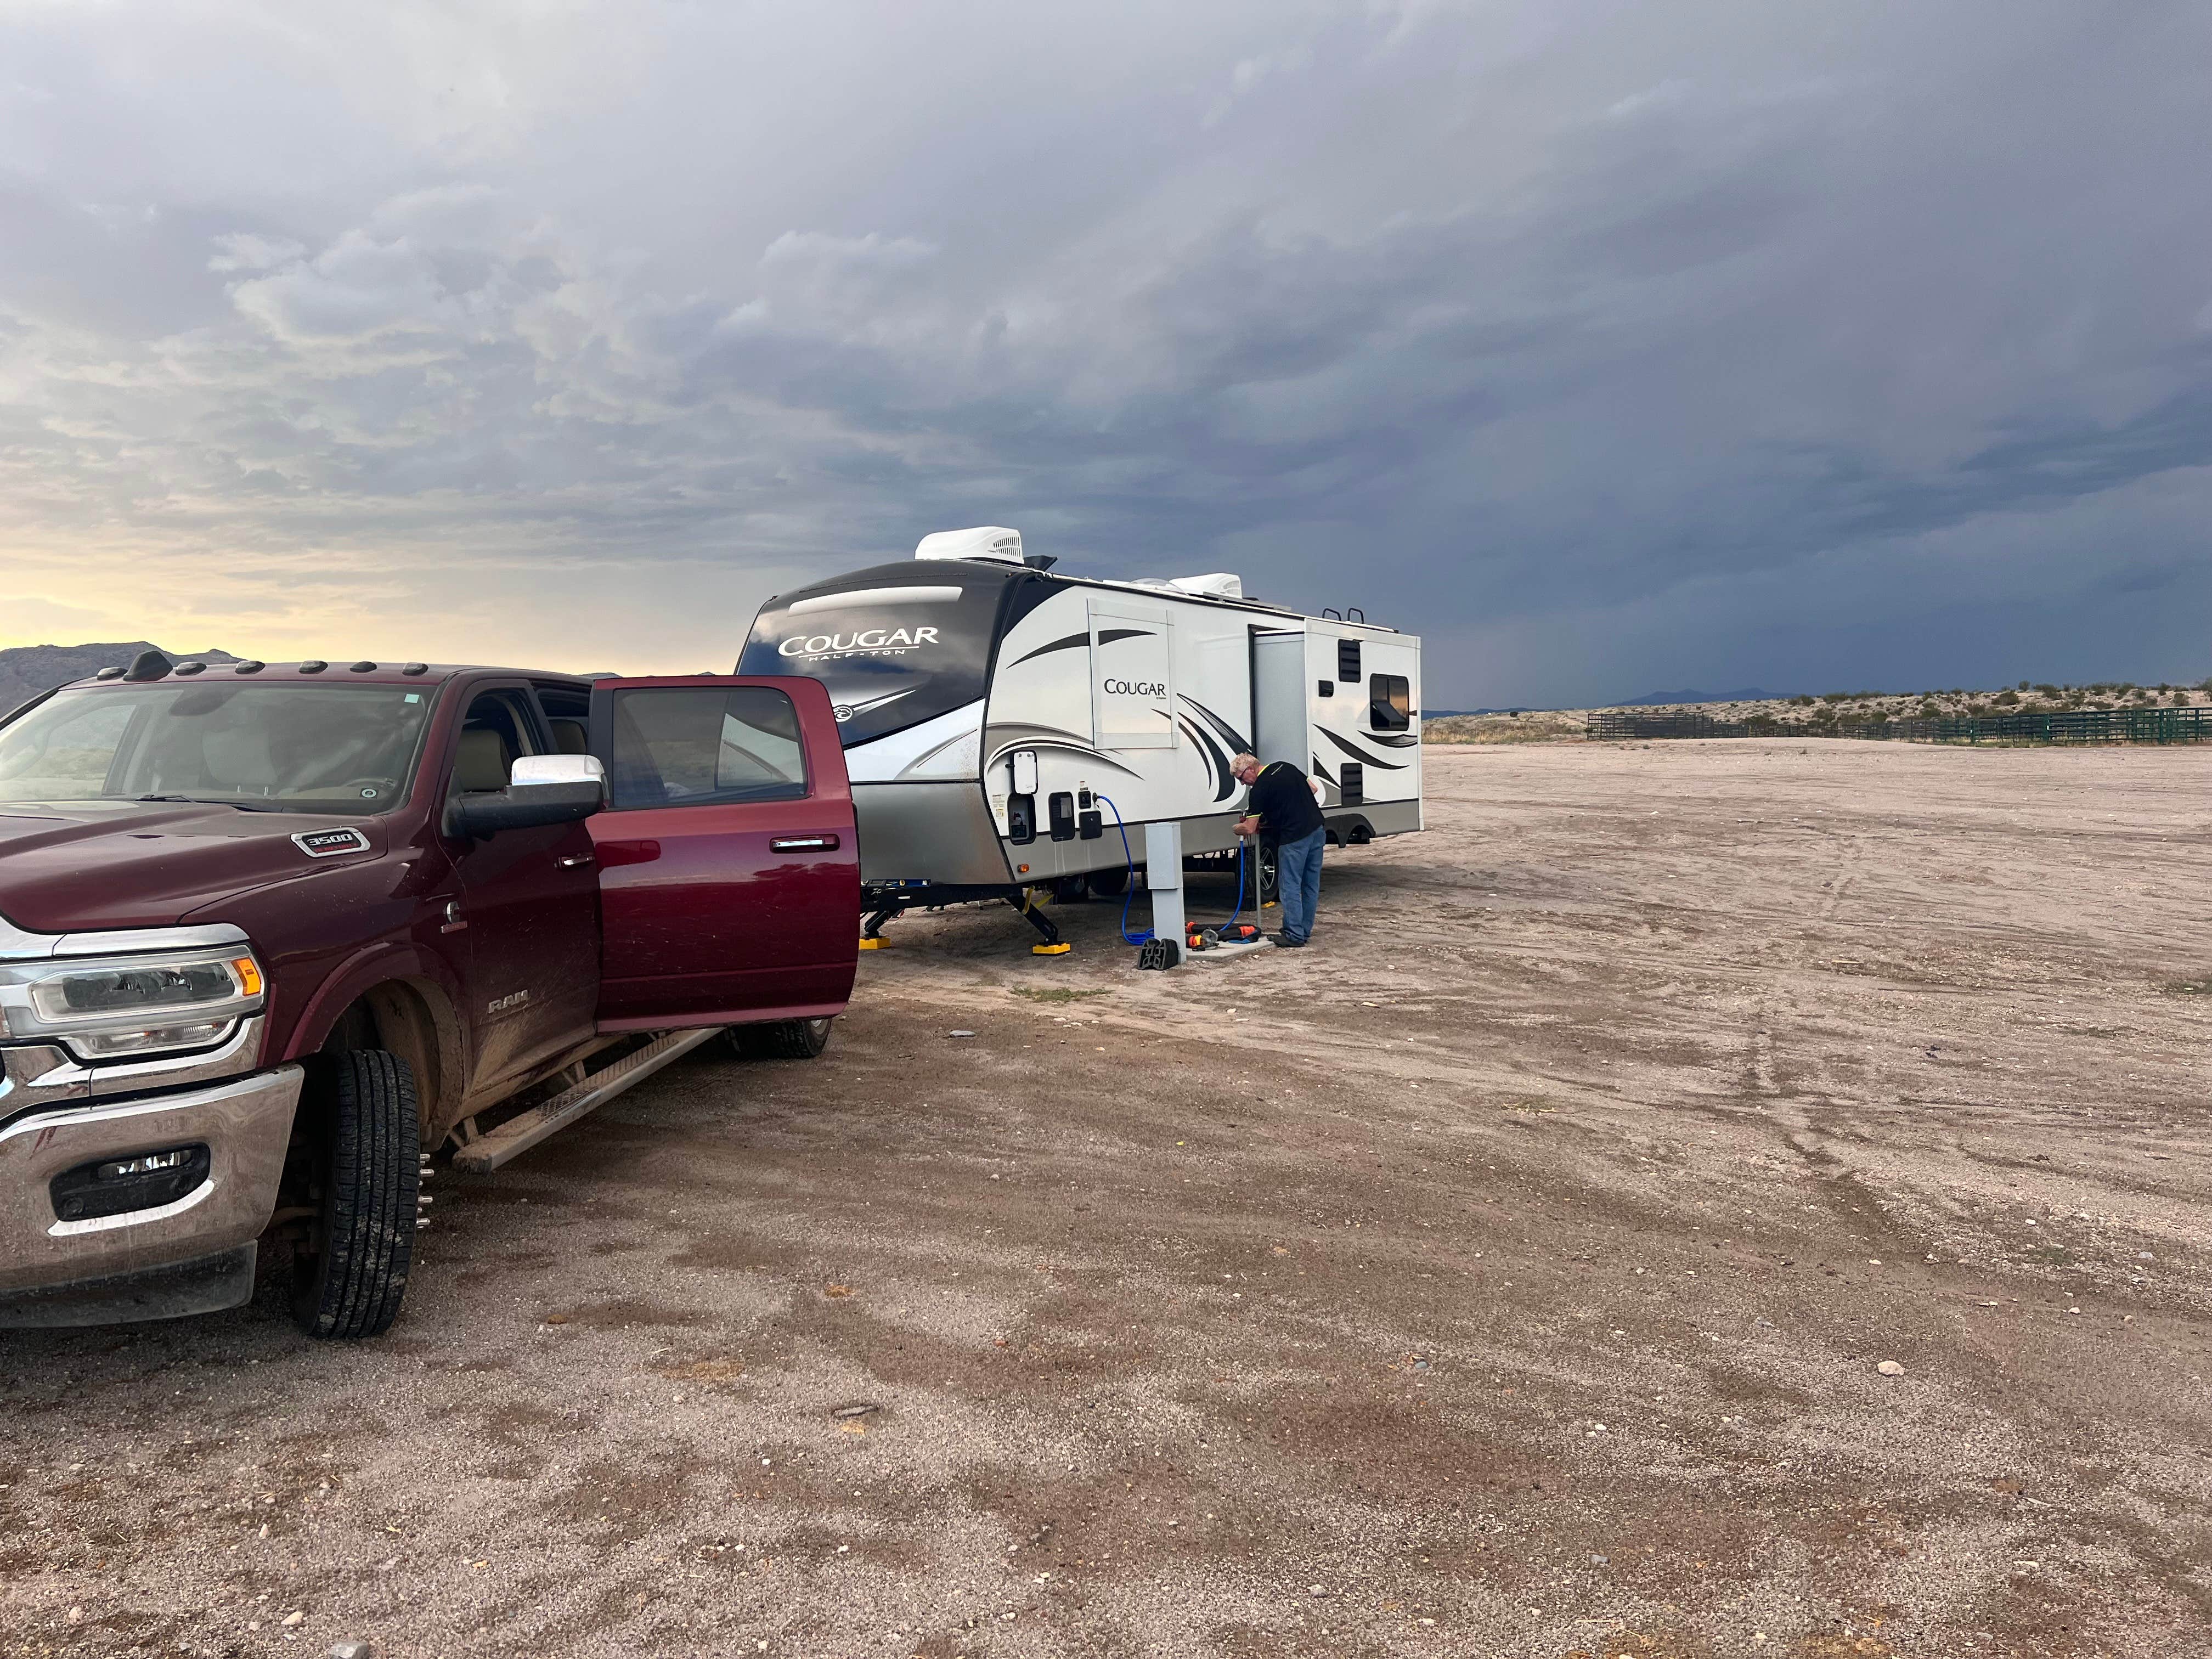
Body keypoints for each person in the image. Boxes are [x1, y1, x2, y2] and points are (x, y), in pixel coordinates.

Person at [1230, 752, 1325, 949]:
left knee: (1289, 885)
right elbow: (1314, 789)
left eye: (1240, 778)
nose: (1242, 783)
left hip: (1294, 838)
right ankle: (1304, 930)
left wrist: (1236, 828)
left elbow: (1249, 828)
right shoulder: (1285, 765)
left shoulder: (1259, 790)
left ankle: (1294, 935)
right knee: (1310, 885)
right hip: (1317, 830)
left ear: (1250, 770)